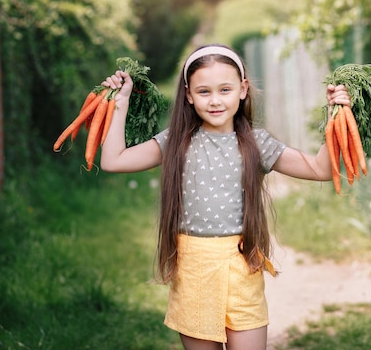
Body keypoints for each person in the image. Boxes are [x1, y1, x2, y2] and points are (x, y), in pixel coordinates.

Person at [100, 44, 351, 350]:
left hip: (242, 267)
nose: (215, 100)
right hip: (195, 270)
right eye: (204, 92)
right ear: (189, 95)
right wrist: (120, 102)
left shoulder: (256, 143)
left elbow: (320, 168)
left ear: (243, 89)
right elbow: (113, 160)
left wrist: (336, 114)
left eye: (225, 89)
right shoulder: (176, 141)